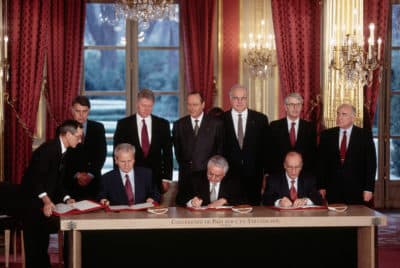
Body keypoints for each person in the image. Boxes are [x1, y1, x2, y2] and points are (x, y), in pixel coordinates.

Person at [20, 120, 83, 268]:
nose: (80, 140)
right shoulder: (48, 149)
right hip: (31, 203)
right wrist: (47, 201)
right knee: (34, 248)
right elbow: (36, 179)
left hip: (41, 205)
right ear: (68, 134)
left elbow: (57, 182)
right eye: (78, 136)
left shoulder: (63, 151)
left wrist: (67, 199)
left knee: (42, 246)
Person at [113, 88, 173, 195]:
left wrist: (166, 178)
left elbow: (168, 154)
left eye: (149, 106)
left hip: (156, 178)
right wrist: (118, 178)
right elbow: (117, 154)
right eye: (143, 105)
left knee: (154, 209)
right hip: (132, 177)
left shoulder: (163, 124)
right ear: (137, 104)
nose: (146, 109)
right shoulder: (123, 124)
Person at [317, 103, 377, 205]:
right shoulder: (326, 135)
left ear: (353, 118)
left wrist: (368, 189)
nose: (339, 117)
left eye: (343, 114)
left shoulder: (364, 135)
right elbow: (321, 163)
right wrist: (321, 186)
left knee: (355, 219)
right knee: (334, 219)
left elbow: (371, 164)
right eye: (338, 114)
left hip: (357, 189)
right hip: (332, 189)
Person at [173, 92, 224, 206]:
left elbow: (219, 152)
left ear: (203, 105)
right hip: (186, 176)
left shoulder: (216, 124)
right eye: (189, 104)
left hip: (208, 176)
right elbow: (178, 153)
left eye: (195, 104)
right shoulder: (179, 125)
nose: (191, 108)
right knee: (186, 209)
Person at [222, 84, 270, 205]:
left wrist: (266, 174)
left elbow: (266, 149)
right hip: (229, 176)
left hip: (254, 176)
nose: (239, 101)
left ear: (247, 99)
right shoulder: (220, 120)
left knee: (254, 212)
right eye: (235, 98)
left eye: (243, 98)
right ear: (230, 99)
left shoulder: (261, 119)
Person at [64, 95, 107, 200]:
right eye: (78, 111)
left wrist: (90, 174)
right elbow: (63, 158)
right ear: (72, 110)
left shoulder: (98, 128)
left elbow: (101, 155)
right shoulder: (64, 129)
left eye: (85, 111)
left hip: (94, 182)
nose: (81, 115)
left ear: (89, 111)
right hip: (71, 183)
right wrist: (77, 175)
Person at [269, 92, 317, 174]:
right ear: (285, 107)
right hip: (279, 175)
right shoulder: (274, 126)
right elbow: (270, 153)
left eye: (298, 104)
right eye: (291, 104)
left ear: (301, 107)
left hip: (303, 175)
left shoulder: (310, 127)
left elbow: (312, 155)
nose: (295, 108)